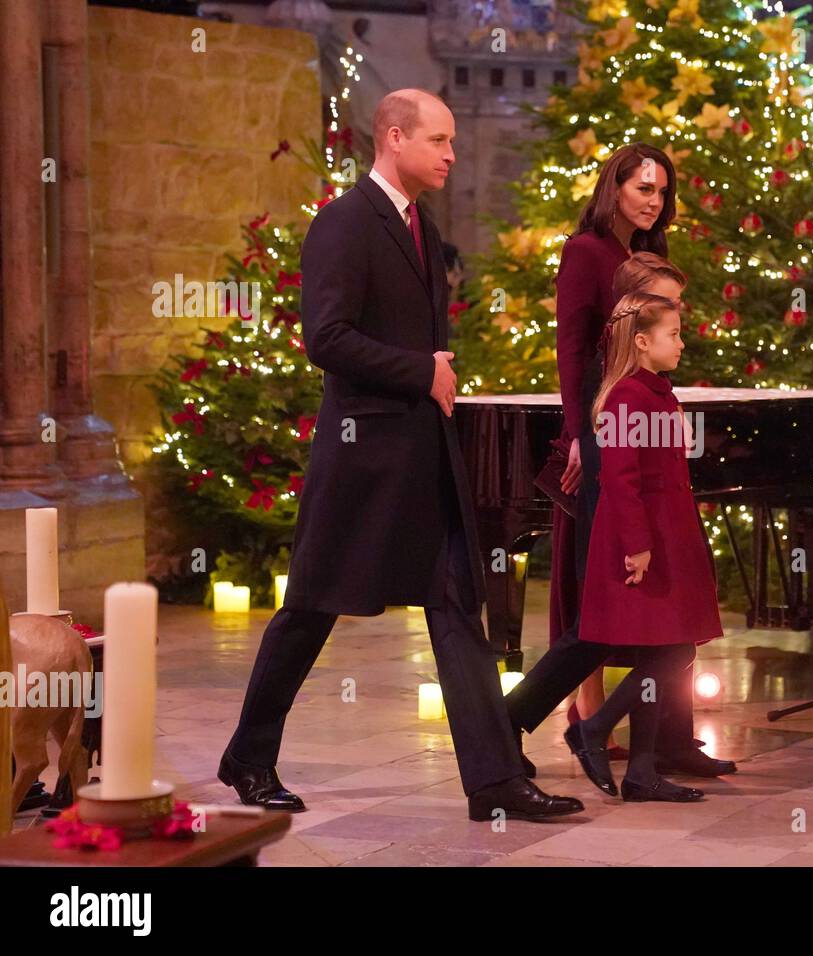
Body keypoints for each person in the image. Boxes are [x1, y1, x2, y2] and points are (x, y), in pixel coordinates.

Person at [218, 89, 583, 824]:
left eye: (452, 140)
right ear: (393, 138)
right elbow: (326, 337)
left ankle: (493, 783)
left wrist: (431, 380)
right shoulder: (344, 223)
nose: (452, 154)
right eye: (439, 140)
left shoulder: (420, 221)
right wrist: (422, 371)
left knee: (457, 613)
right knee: (310, 610)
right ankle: (248, 759)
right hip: (363, 462)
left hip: (425, 456)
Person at [503, 145, 734, 778]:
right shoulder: (587, 252)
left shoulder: (640, 259)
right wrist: (580, 435)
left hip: (632, 424)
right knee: (606, 608)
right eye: (643, 187)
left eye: (662, 190)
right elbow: (573, 350)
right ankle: (518, 723)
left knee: (665, 600)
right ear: (616, 187)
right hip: (607, 436)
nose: (654, 199)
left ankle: (670, 742)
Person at [565, 291, 723, 801]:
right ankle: (595, 729)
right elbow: (620, 479)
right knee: (671, 650)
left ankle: (641, 771)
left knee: (667, 648)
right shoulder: (629, 396)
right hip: (646, 537)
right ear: (641, 340)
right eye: (673, 334)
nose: (681, 342)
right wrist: (638, 545)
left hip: (667, 533)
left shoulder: (656, 391)